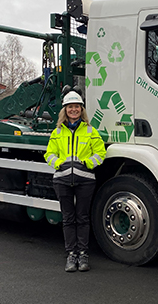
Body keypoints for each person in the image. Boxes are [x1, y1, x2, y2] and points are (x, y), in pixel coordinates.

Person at [44, 90, 106, 272]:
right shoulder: (57, 132)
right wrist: (59, 164)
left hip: (85, 181)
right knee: (68, 219)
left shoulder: (90, 130)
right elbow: (49, 154)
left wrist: (87, 163)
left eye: (77, 107)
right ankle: (71, 254)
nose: (74, 110)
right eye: (70, 107)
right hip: (62, 181)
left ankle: (83, 255)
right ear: (65, 110)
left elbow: (100, 153)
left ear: (81, 109)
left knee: (83, 218)